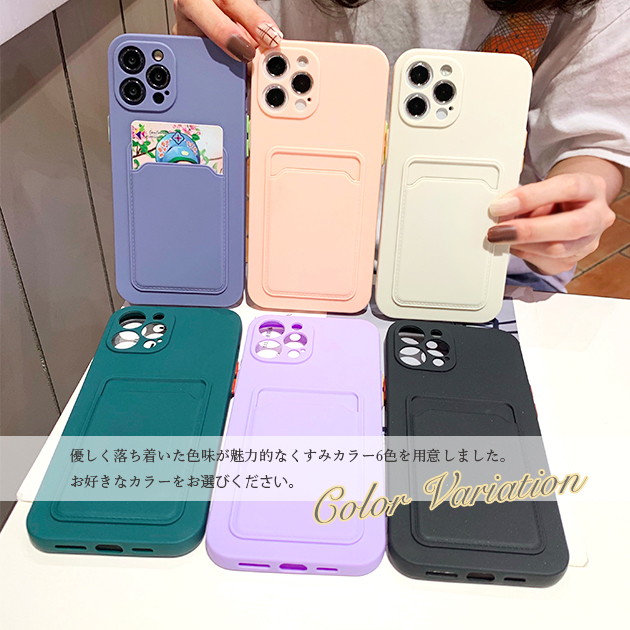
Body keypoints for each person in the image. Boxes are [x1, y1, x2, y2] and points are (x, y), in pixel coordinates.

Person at [172, 0, 629, 292]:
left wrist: (580, 194)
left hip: (488, 267)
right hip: (280, 251)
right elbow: (210, 123)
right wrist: (200, 63)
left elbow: (590, 140)